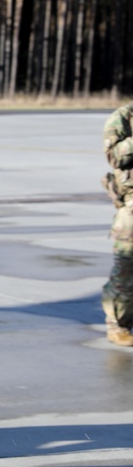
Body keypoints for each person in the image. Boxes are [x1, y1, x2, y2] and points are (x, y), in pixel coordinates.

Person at [101, 102, 133, 346]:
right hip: (131, 210)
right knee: (126, 272)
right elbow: (113, 157)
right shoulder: (123, 116)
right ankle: (117, 324)